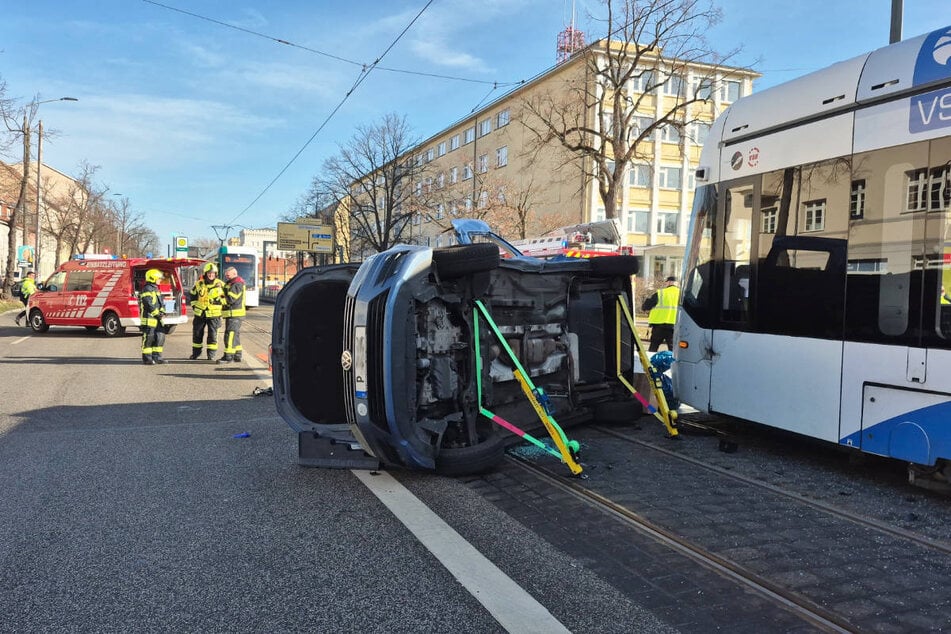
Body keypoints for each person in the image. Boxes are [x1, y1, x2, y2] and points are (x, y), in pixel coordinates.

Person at [188, 262, 225, 360]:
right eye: (209, 273)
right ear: (205, 274)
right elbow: (192, 295)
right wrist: (194, 306)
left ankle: (211, 355)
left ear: (216, 274)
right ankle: (196, 354)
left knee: (213, 335)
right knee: (197, 334)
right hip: (200, 313)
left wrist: (218, 301)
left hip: (214, 314)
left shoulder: (221, 284)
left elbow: (226, 298)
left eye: (213, 273)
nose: (211, 275)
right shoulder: (199, 284)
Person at [642, 275, 680, 351]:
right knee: (673, 350)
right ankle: (672, 363)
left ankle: (651, 362)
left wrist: (646, 309)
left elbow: (646, 306)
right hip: (674, 327)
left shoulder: (660, 293)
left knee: (653, 348)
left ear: (669, 282)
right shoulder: (682, 294)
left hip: (658, 326)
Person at [218, 266, 247, 364]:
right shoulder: (231, 283)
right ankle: (237, 355)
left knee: (230, 335)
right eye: (226, 275)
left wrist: (220, 296)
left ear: (234, 274)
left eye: (228, 275)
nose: (226, 277)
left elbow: (230, 299)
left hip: (234, 314)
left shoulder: (237, 284)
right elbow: (226, 289)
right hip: (233, 314)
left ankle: (228, 356)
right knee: (235, 335)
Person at [139, 268, 167, 365]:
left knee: (160, 337)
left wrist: (162, 311)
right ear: (153, 278)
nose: (160, 280)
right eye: (159, 278)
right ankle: (147, 359)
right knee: (149, 338)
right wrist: (156, 313)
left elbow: (160, 302)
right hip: (149, 319)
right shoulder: (147, 289)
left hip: (157, 319)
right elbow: (148, 304)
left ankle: (157, 357)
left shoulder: (155, 289)